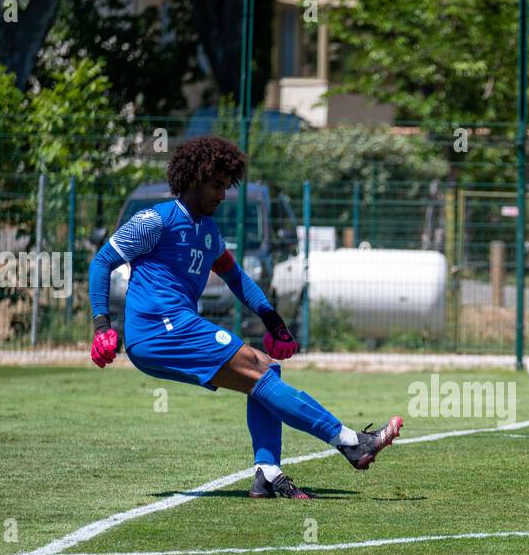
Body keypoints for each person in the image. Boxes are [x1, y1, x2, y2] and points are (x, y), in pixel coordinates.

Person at [87, 136, 402, 498]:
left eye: (226, 186)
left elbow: (236, 278)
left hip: (174, 329)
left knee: (267, 369)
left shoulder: (207, 232)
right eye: (217, 186)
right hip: (160, 328)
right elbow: (102, 262)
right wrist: (102, 327)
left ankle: (267, 473)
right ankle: (351, 442)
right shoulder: (154, 220)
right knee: (256, 369)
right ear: (193, 179)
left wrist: (273, 321)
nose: (222, 195)